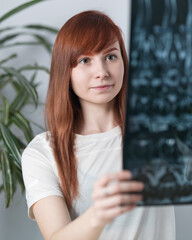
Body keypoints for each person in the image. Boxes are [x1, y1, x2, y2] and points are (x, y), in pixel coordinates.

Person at [21, 10, 175, 240]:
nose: (101, 72)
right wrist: (99, 215)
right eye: (85, 60)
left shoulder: (160, 129)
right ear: (66, 71)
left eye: (111, 56)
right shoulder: (42, 152)